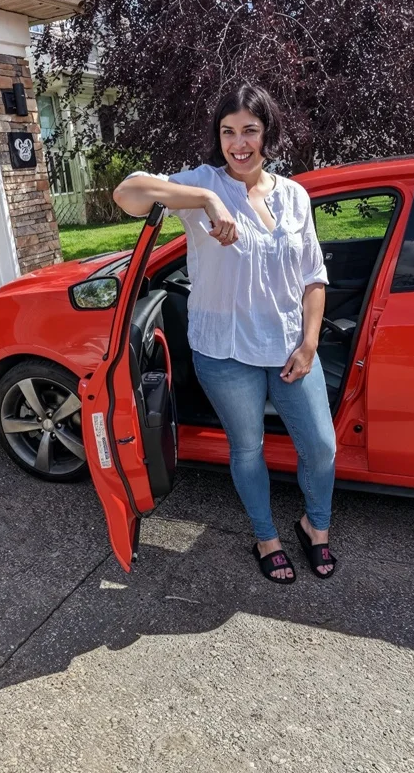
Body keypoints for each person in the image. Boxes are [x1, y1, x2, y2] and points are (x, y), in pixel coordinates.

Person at [113, 84, 337, 584]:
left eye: (250, 131)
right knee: (248, 449)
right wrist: (208, 198)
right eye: (228, 131)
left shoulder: (295, 195)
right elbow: (127, 193)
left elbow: (313, 277)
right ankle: (266, 536)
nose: (239, 143)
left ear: (267, 133)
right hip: (226, 352)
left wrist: (310, 344)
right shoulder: (200, 184)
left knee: (321, 447)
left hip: (289, 347)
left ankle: (314, 526)